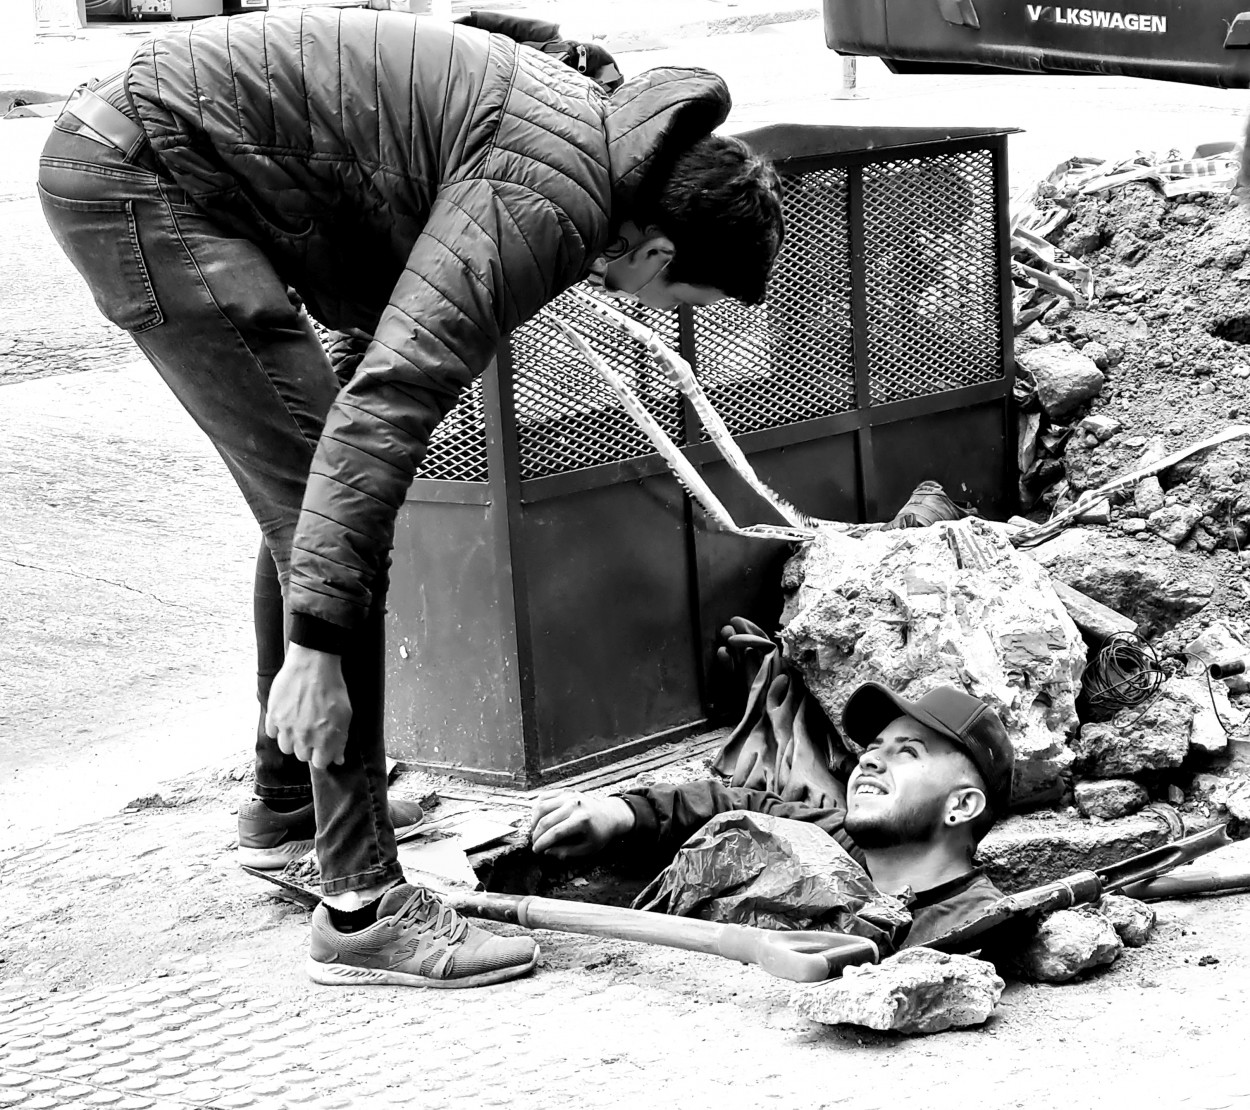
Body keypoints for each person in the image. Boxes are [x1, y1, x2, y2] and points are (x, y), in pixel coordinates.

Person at [39, 8, 785, 988]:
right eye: (687, 302)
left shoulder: (595, 140)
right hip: (148, 175)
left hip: (169, 152)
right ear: (652, 254)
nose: (664, 316)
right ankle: (360, 908)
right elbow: (382, 414)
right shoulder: (550, 206)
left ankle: (287, 812)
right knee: (333, 498)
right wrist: (316, 648)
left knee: (318, 498)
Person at [530, 681, 1016, 948]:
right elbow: (734, 803)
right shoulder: (835, 845)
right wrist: (620, 814)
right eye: (872, 747)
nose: (869, 760)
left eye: (907, 753)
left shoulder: (971, 926)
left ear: (962, 805)